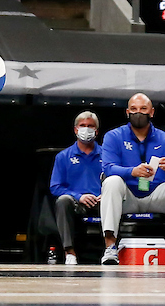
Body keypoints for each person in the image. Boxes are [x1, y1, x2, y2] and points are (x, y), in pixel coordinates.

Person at [99, 93, 165, 266]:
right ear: (127, 112)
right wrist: (133, 171)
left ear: (152, 112)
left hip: (157, 195)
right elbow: (108, 168)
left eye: (143, 109)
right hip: (128, 197)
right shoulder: (113, 136)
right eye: (133, 109)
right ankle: (110, 248)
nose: (138, 112)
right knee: (111, 181)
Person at [48, 111, 103, 265]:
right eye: (83, 125)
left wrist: (106, 194)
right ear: (75, 129)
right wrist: (79, 196)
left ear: (96, 131)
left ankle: (111, 249)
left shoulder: (107, 155)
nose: (86, 129)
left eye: (90, 126)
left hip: (101, 201)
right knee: (63, 201)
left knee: (116, 200)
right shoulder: (63, 157)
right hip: (77, 203)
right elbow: (55, 187)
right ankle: (69, 252)